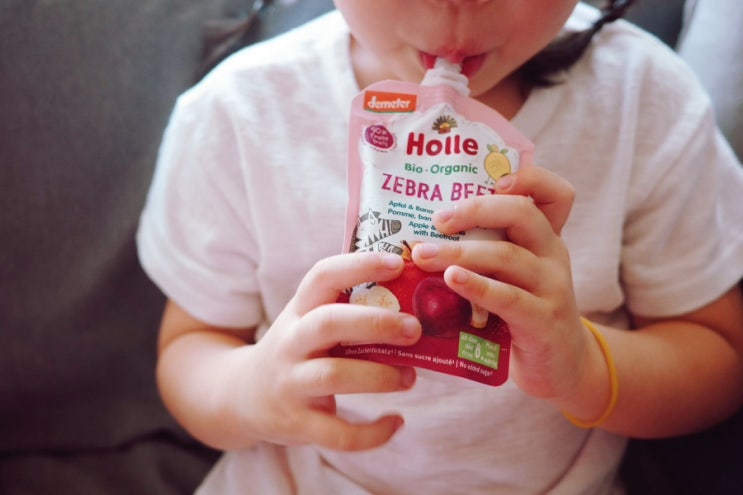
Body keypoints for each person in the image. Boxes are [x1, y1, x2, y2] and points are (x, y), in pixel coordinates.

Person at [136, 0, 743, 493]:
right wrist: (252, 390)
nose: (455, 7)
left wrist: (585, 367)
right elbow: (191, 348)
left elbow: (718, 355)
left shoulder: (644, 101)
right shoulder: (240, 113)